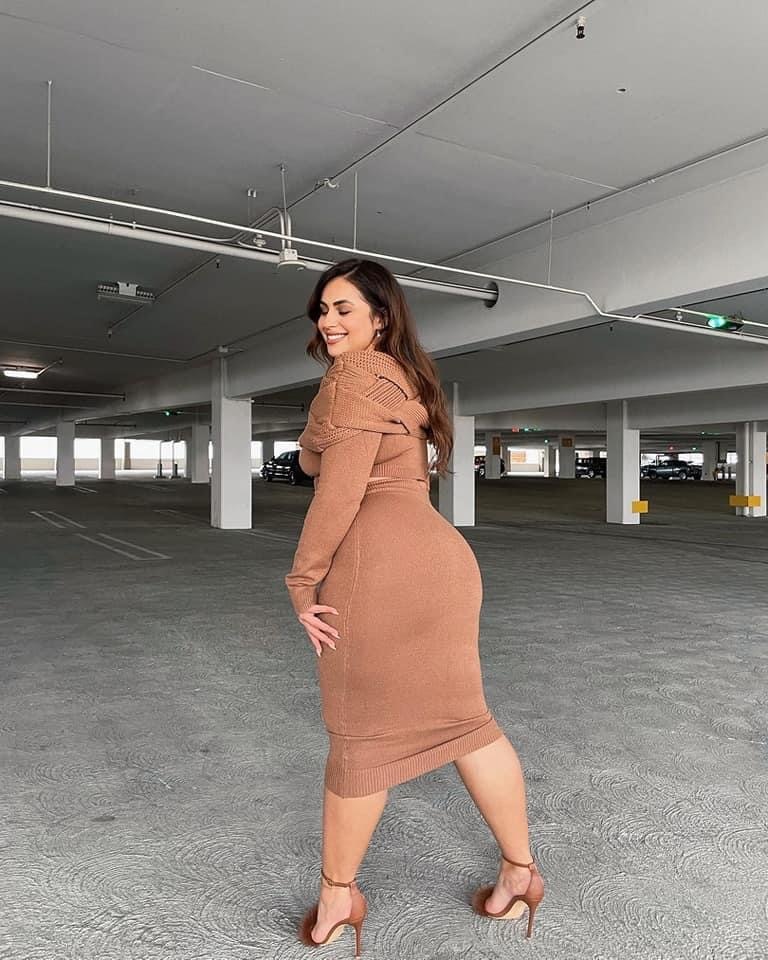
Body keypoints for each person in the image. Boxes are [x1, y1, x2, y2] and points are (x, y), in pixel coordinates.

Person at [285, 259, 543, 955]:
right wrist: (316, 435)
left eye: (343, 308)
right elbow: (318, 457)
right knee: (468, 723)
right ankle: (520, 872)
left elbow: (337, 491)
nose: (328, 321)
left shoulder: (351, 378)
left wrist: (302, 582)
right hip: (441, 559)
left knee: (360, 736)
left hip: (379, 570)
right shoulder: (402, 378)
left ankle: (339, 894)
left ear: (380, 316)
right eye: (322, 310)